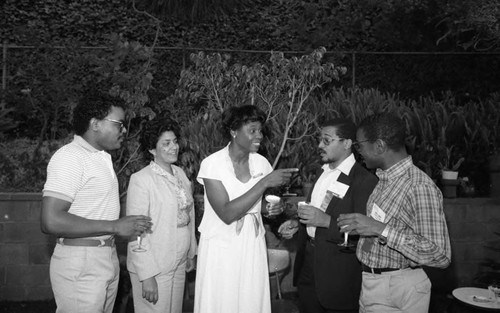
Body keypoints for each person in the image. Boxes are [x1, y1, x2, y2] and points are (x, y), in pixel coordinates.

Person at [40, 93, 152, 313]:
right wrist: (114, 226)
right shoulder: (70, 157)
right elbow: (50, 221)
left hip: (105, 256)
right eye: (119, 124)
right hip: (81, 262)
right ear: (95, 124)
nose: (124, 130)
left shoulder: (100, 157)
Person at [338, 112, 452, 313]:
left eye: (359, 145)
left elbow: (439, 255)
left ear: (380, 146)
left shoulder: (418, 186)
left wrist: (380, 229)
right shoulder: (384, 179)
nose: (358, 152)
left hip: (397, 288)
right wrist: (364, 229)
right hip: (374, 283)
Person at [193, 105, 298, 313]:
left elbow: (262, 206)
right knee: (222, 300)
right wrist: (264, 182)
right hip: (221, 246)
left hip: (252, 242)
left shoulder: (261, 163)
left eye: (260, 130)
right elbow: (227, 213)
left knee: (249, 300)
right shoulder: (212, 165)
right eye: (252, 130)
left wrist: (271, 211)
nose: (259, 136)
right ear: (234, 132)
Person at [278, 118, 378, 313]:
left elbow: (366, 235)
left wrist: (326, 222)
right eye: (320, 140)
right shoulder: (322, 173)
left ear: (347, 143)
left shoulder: (364, 180)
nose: (319, 145)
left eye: (326, 140)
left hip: (338, 274)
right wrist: (297, 224)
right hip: (308, 264)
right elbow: (316, 212)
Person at [126, 117, 197, 313]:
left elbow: (189, 214)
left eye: (175, 141)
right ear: (152, 149)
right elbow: (136, 231)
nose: (173, 147)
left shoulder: (180, 174)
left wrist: (191, 251)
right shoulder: (142, 180)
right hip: (155, 262)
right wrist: (146, 275)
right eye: (166, 143)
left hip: (180, 259)